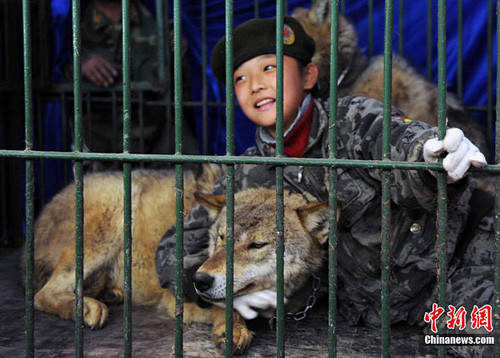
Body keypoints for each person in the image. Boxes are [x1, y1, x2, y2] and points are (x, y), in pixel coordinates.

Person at [155, 16, 493, 357]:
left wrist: (430, 157)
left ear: (308, 76)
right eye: (240, 79)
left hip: (468, 258)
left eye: (269, 68)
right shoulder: (244, 176)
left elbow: (400, 144)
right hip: (404, 309)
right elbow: (173, 248)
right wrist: (217, 284)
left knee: (483, 345)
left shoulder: (354, 119)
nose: (255, 84)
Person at [67, 0, 198, 171]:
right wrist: (78, 66)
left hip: (159, 146)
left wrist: (181, 53)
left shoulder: (161, 22)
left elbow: (187, 86)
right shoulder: (69, 27)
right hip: (99, 149)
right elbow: (52, 75)